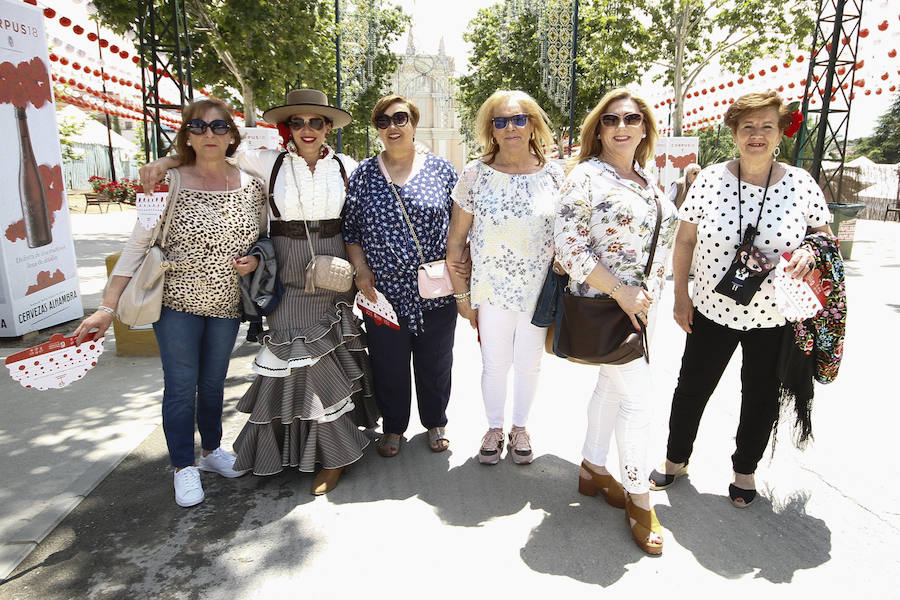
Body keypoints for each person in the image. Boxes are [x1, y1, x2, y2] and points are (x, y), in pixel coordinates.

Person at [139, 89, 377, 496]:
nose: (306, 129)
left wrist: (361, 267)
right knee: (294, 353)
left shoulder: (347, 166)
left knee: (329, 357)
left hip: (333, 268)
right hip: (286, 268)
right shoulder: (266, 161)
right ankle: (298, 449)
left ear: (327, 129)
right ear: (288, 128)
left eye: (315, 122)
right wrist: (167, 160)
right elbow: (211, 153)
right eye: (298, 122)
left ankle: (331, 453)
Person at [76, 99, 266, 507]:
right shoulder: (168, 182)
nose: (209, 135)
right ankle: (183, 466)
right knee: (181, 386)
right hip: (176, 302)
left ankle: (212, 451)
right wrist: (107, 307)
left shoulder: (252, 184)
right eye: (198, 127)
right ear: (187, 136)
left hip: (227, 304)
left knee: (214, 383)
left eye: (219, 127)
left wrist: (255, 258)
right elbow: (137, 245)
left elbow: (263, 238)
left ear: (232, 134)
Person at [649, 91, 831, 509]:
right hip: (712, 308)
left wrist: (810, 250)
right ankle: (676, 459)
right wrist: (681, 296)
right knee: (692, 387)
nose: (756, 135)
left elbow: (823, 235)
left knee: (761, 394)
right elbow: (685, 240)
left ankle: (744, 469)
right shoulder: (711, 179)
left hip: (774, 315)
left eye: (766, 126)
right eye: (747, 126)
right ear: (734, 133)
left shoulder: (801, 184)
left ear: (780, 133)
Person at [554, 89, 678, 554]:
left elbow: (659, 248)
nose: (621, 126)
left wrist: (649, 298)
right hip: (605, 305)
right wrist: (622, 292)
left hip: (637, 310)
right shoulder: (585, 177)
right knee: (640, 403)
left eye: (631, 118)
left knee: (611, 388)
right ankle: (639, 496)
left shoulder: (648, 180)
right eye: (610, 119)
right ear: (599, 129)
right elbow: (568, 246)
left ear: (645, 127)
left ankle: (591, 468)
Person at [446, 90, 564, 465]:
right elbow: (456, 240)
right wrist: (462, 297)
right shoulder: (475, 174)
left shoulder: (556, 175)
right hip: (491, 289)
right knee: (494, 363)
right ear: (490, 131)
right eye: (500, 121)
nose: (510, 127)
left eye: (518, 119)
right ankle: (494, 428)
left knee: (530, 363)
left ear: (532, 125)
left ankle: (520, 427)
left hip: (538, 291)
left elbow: (569, 233)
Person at [343, 95, 459, 457]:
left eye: (400, 118)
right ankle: (393, 426)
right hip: (383, 292)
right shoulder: (363, 174)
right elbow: (351, 230)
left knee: (436, 360)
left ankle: (435, 420)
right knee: (388, 363)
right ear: (377, 129)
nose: (392, 126)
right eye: (382, 121)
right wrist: (360, 268)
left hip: (435, 288)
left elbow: (461, 227)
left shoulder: (442, 170)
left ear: (413, 123)